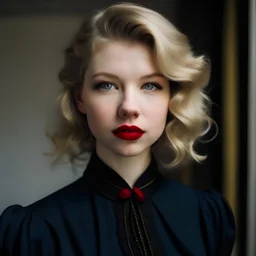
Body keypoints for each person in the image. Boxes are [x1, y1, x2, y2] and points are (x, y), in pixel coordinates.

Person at [0, 2, 235, 256]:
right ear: (80, 98)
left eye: (151, 86)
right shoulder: (32, 231)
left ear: (172, 97)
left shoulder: (208, 217)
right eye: (107, 85)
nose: (128, 107)